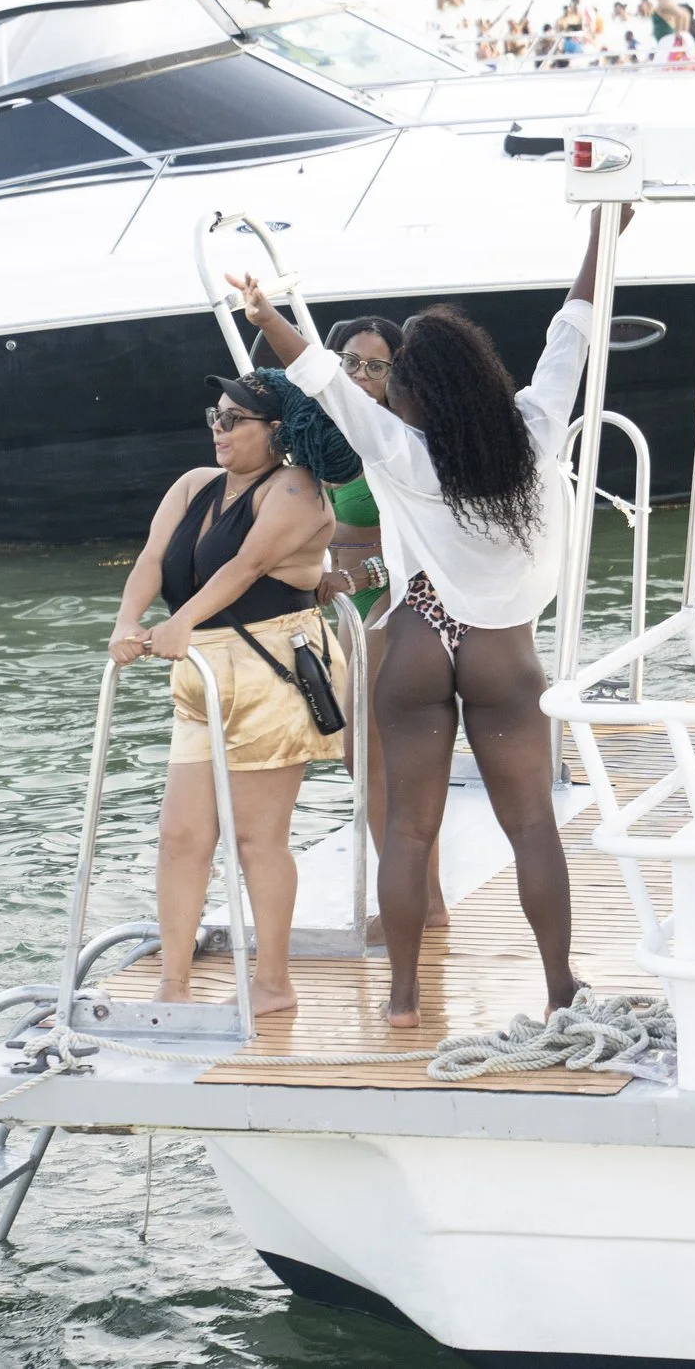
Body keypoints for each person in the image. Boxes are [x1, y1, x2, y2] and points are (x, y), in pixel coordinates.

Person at [231, 207, 629, 1026]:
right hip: (498, 648)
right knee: (531, 827)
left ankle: (404, 999)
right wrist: (607, 230)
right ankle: (559, 984)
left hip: (415, 632)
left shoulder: (399, 450)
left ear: (419, 389)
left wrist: (265, 313)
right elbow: (574, 329)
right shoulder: (534, 428)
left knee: (408, 830)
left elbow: (319, 375)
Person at [110, 371, 340, 1018]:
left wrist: (181, 620)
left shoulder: (296, 489)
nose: (220, 427)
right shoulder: (192, 485)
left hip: (271, 665)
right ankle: (172, 982)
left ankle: (273, 981)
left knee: (256, 837)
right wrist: (129, 621)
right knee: (181, 832)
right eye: (216, 414)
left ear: (277, 431)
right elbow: (152, 560)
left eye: (236, 418)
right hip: (203, 673)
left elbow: (246, 567)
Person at [316, 314, 450, 941]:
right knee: (372, 757)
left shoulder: (400, 439)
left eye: (375, 365)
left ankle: (414, 904)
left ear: (399, 372)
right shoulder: (338, 432)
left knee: (370, 753)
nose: (360, 376)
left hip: (396, 602)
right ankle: (424, 899)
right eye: (351, 363)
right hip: (353, 603)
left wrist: (357, 566)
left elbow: (417, 537)